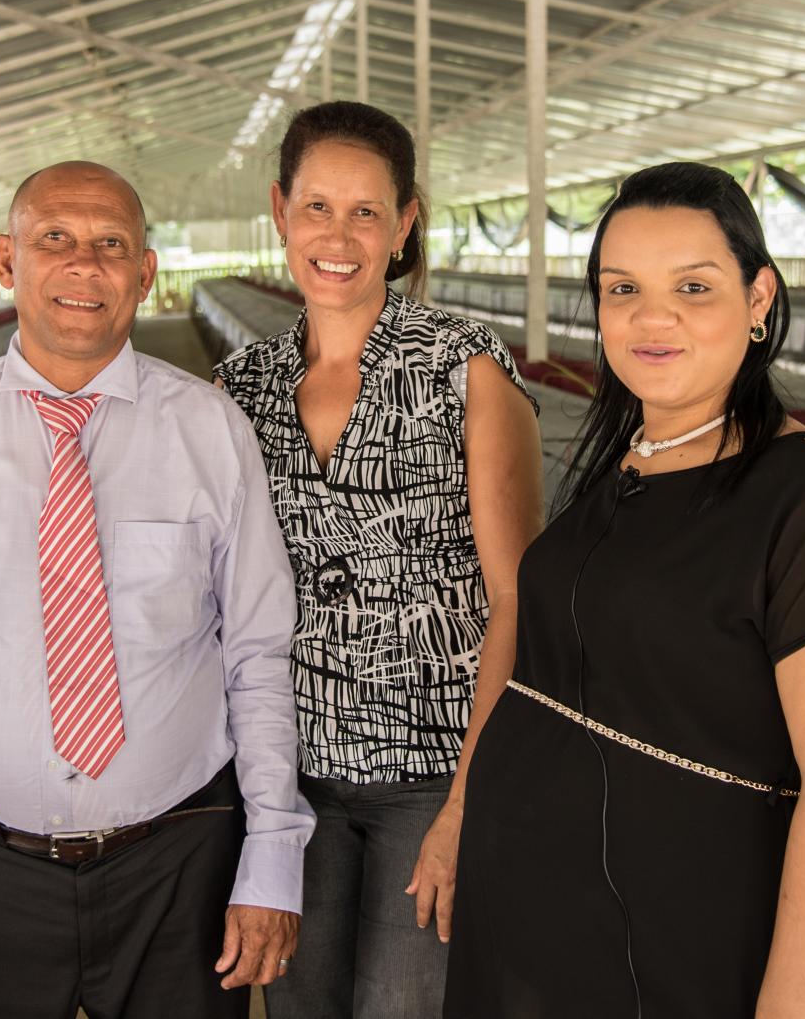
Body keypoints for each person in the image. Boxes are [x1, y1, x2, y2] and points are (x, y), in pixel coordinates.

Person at [0, 161, 313, 1018]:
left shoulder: (210, 431)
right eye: (54, 237)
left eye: (111, 244)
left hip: (181, 863)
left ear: (145, 274)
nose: (84, 263)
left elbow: (259, 654)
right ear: (6, 260)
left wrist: (272, 850)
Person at [444, 162, 805, 1019]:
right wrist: (464, 814)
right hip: (551, 942)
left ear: (759, 297)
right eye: (622, 287)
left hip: (693, 961)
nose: (651, 317)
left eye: (693, 287)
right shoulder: (626, 462)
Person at [214, 103, 544, 1019]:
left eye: (366, 212)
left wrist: (468, 807)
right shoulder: (239, 389)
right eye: (317, 207)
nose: (338, 236)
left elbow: (517, 598)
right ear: (280, 211)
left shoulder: (464, 369)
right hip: (289, 781)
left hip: (434, 776)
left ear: (404, 224)